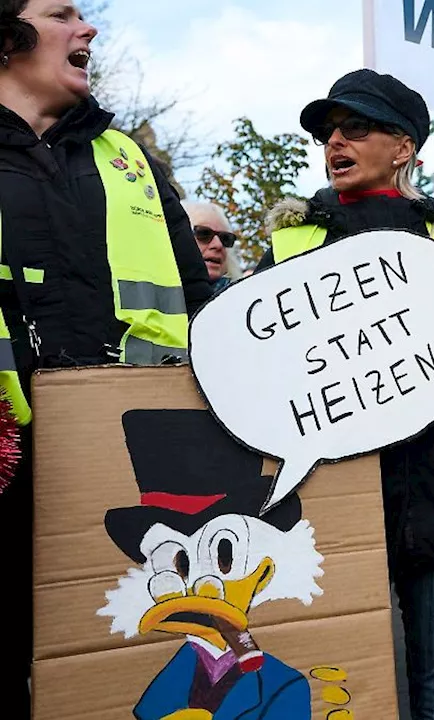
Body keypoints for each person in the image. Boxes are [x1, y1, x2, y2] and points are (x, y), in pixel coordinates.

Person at [257, 68, 434, 720]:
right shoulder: (293, 247)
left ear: (404, 147)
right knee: (336, 702)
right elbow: (255, 371)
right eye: (329, 131)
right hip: (323, 513)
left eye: (355, 127)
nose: (335, 141)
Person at [0, 1, 212, 712]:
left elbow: (198, 304)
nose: (88, 29)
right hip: (8, 469)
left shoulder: (130, 161)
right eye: (63, 13)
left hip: (131, 466)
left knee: (127, 672)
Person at [181, 200, 239, 292]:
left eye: (225, 238)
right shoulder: (154, 296)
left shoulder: (242, 299)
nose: (218, 245)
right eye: (204, 233)